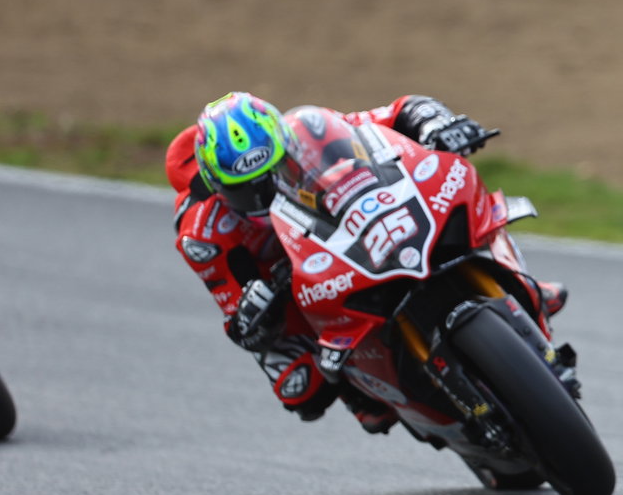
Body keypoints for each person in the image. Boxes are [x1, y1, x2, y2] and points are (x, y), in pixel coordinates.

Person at [166, 90, 569, 431]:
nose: (263, 198)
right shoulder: (203, 235)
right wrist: (254, 310)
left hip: (340, 230)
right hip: (286, 282)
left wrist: (435, 122)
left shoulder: (308, 134)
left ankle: (519, 282)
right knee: (301, 389)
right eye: (246, 192)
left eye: (273, 177)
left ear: (285, 146)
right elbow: (240, 322)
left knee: (464, 206)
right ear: (216, 185)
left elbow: (393, 115)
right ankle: (360, 389)